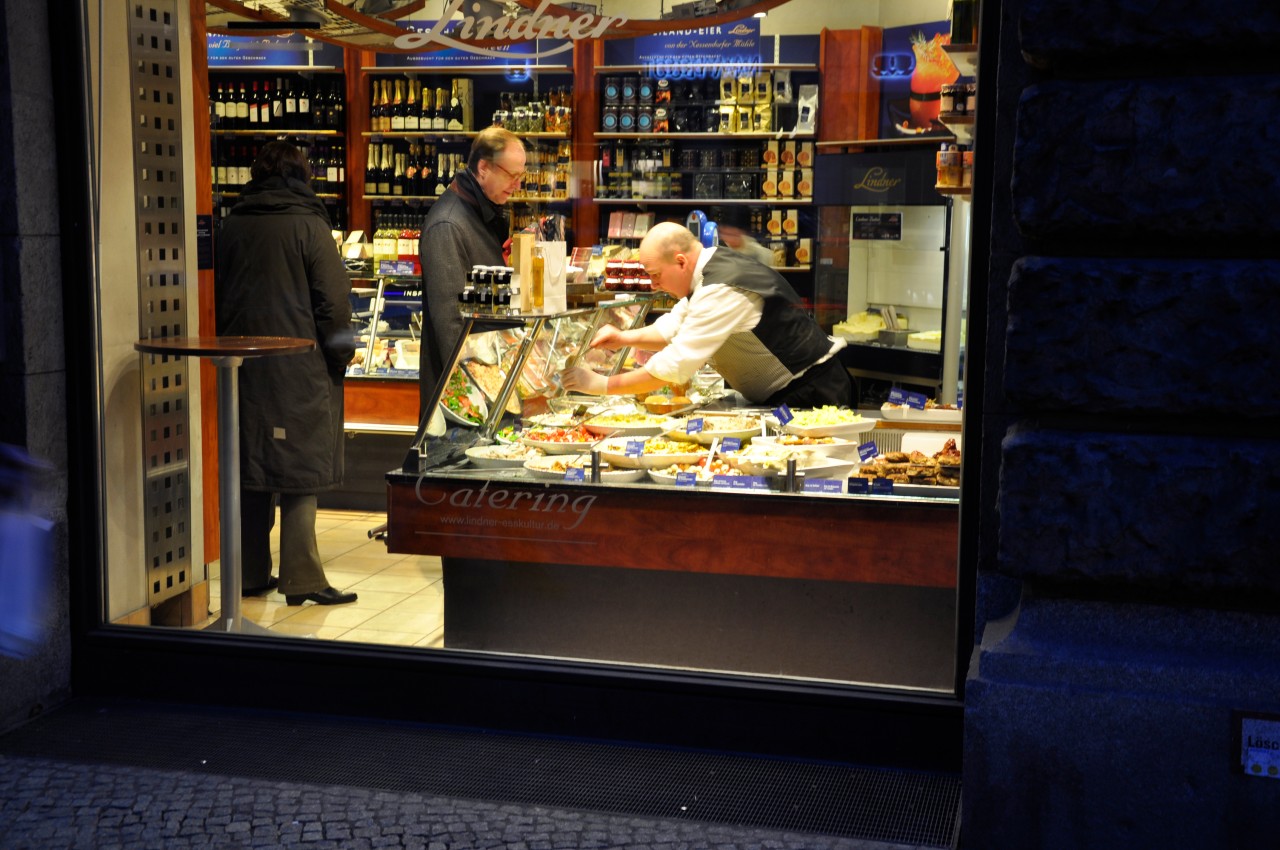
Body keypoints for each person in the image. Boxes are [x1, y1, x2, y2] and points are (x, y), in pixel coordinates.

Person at [215, 140, 359, 607]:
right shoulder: (309, 224)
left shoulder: (232, 224)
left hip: (244, 367)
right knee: (301, 471)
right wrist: (339, 357)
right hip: (301, 367)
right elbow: (334, 303)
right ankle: (302, 579)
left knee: (252, 465)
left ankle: (250, 572)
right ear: (304, 175)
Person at [560, 221, 852, 409]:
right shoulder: (708, 271)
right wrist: (622, 337)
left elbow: (677, 363)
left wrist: (600, 386)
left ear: (680, 261)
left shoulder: (721, 287)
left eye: (656, 275)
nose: (653, 285)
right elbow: (672, 327)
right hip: (792, 393)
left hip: (812, 393)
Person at [417, 126, 527, 411]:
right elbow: (452, 327)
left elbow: (480, 299)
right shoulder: (448, 225)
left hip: (492, 386)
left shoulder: (482, 212)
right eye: (511, 175)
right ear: (483, 168)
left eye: (521, 175)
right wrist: (479, 400)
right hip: (464, 404)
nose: (517, 185)